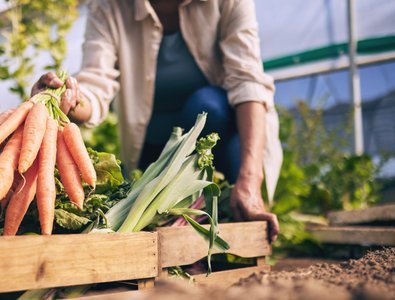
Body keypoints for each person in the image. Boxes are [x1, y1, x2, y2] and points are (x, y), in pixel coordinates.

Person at [31, 0, 282, 242]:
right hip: (154, 155)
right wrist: (71, 97)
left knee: (207, 106)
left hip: (225, 142)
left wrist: (250, 179)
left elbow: (248, 82)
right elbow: (97, 81)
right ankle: (187, 232)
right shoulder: (109, 7)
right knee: (152, 217)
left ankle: (226, 208)